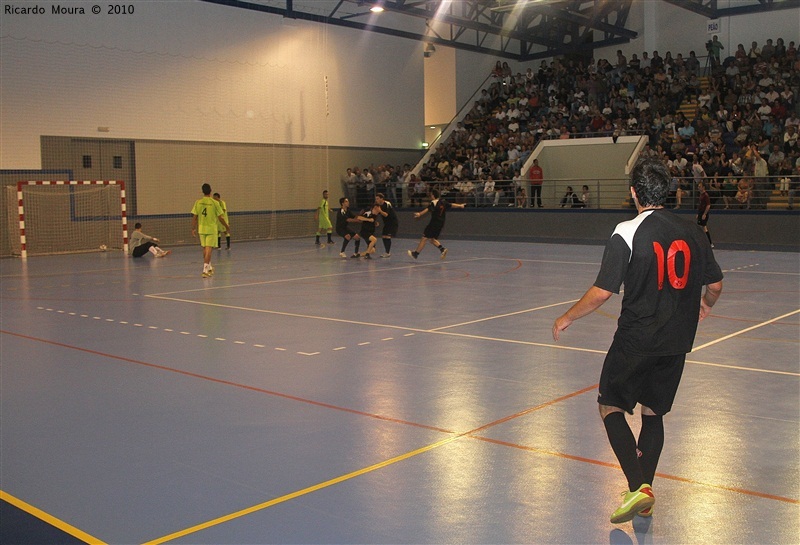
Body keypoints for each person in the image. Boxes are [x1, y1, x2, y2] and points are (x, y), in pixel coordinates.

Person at [552, 157, 723, 524]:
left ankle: (637, 486)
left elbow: (602, 292)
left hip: (636, 338)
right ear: (670, 191)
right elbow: (716, 284)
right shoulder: (694, 231)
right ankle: (643, 490)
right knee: (653, 412)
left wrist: (567, 317)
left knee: (610, 406)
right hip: (678, 339)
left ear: (634, 193)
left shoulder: (626, 231)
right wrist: (705, 306)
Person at [408, 188, 466, 260]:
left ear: (433, 195)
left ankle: (415, 254)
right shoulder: (443, 201)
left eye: (431, 195)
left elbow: (428, 209)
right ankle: (442, 249)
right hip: (441, 223)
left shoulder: (433, 202)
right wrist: (460, 205)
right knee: (432, 239)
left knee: (424, 238)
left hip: (434, 223)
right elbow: (451, 205)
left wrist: (420, 214)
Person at [191, 183, 230, 278]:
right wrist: (226, 226)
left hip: (201, 228)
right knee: (209, 249)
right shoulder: (214, 203)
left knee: (204, 248)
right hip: (211, 228)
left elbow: (194, 217)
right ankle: (205, 269)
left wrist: (193, 228)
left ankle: (209, 267)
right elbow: (221, 217)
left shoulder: (198, 202)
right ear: (210, 191)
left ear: (202, 191)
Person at [375, 193, 398, 258]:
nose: (376, 200)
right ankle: (387, 252)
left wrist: (380, 210)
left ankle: (387, 252)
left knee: (387, 236)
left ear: (382, 199)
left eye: (377, 199)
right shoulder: (377, 205)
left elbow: (386, 214)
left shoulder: (387, 204)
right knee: (384, 236)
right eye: (376, 199)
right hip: (386, 223)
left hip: (392, 222)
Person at [696, 181, 714, 247]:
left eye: (700, 186)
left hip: (703, 213)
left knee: (703, 227)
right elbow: (700, 205)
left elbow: (708, 205)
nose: (698, 187)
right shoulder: (701, 195)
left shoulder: (706, 195)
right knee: (701, 227)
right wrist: (698, 214)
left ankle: (709, 242)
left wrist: (705, 214)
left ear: (703, 187)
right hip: (701, 213)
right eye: (698, 186)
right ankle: (705, 242)